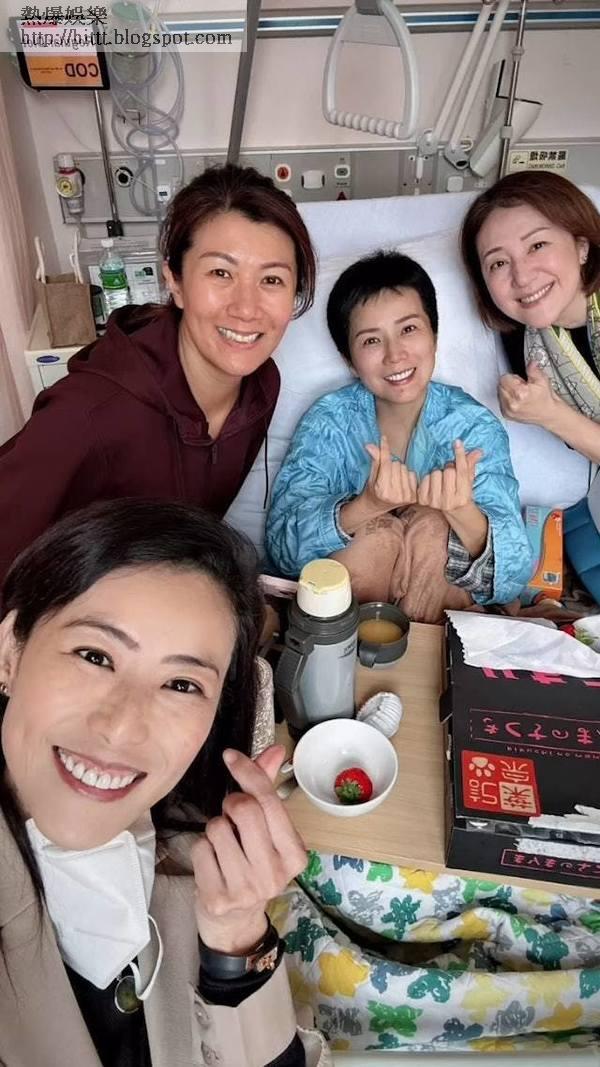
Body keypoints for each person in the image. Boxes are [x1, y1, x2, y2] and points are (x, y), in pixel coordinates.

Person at [0, 499, 326, 1067]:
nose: (122, 727)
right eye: (94, 655)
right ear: (10, 651)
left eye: (181, 685)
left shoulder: (197, 857)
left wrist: (236, 944)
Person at [0, 164, 316, 583]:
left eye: (272, 279)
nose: (246, 308)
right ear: (175, 281)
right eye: (220, 273)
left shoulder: (260, 389)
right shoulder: (87, 417)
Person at [266, 252, 532, 621]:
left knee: (433, 528)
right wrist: (366, 506)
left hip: (438, 613)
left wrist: (462, 511)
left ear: (434, 336)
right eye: (371, 341)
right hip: (344, 623)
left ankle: (425, 655)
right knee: (374, 538)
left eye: (408, 330)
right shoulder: (329, 422)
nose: (395, 355)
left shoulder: (472, 426)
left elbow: (515, 576)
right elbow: (281, 548)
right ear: (349, 359)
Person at [461, 169, 600, 463]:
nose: (522, 277)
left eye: (537, 246)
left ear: (582, 246)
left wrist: (552, 415)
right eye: (499, 263)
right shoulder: (528, 346)